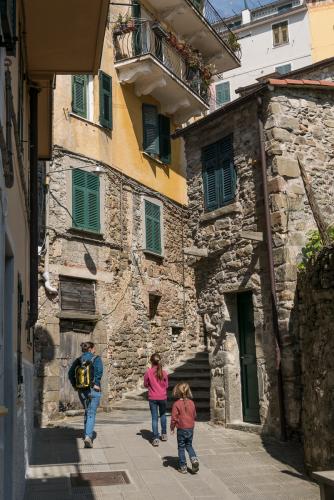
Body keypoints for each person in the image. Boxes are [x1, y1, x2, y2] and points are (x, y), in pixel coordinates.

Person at [69, 341, 103, 448]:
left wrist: (75, 385)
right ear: (90, 349)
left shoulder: (78, 360)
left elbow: (70, 373)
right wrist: (96, 383)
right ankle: (88, 436)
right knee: (91, 413)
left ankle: (85, 434)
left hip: (82, 390)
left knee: (87, 411)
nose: (95, 350)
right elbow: (99, 371)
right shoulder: (96, 359)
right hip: (93, 389)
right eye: (94, 349)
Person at [170, 382, 199, 474]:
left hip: (181, 429)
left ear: (177, 392)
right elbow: (194, 415)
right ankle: (194, 459)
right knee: (189, 445)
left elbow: (174, 418)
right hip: (190, 428)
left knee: (181, 447)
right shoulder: (192, 403)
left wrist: (172, 427)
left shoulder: (176, 404)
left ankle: (183, 467)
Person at [144, 353, 168, 446]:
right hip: (162, 397)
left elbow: (145, 384)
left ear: (151, 362)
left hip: (152, 397)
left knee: (154, 418)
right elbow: (166, 385)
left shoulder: (148, 372)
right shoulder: (164, 372)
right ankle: (164, 434)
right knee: (163, 415)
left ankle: (155, 438)